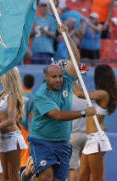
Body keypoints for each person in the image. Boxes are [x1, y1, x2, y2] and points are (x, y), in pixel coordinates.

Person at [29, 25, 95, 181]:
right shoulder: (41, 95)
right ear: (46, 78)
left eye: (60, 76)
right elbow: (57, 115)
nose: (59, 79)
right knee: (47, 176)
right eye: (54, 77)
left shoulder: (66, 80)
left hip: (63, 142)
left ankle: (30, 174)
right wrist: (84, 112)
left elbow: (75, 59)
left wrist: (66, 35)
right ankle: (34, 172)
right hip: (42, 140)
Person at [76, 65, 116, 181]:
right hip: (90, 140)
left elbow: (79, 93)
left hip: (96, 141)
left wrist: (71, 77)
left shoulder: (103, 94)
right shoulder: (102, 94)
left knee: (97, 178)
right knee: (82, 176)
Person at [0, 68, 26, 181]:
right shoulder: (2, 93)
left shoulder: (12, 95)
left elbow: (11, 120)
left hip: (12, 138)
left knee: (13, 175)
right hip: (2, 138)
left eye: (1, 74)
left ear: (7, 76)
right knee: (5, 176)